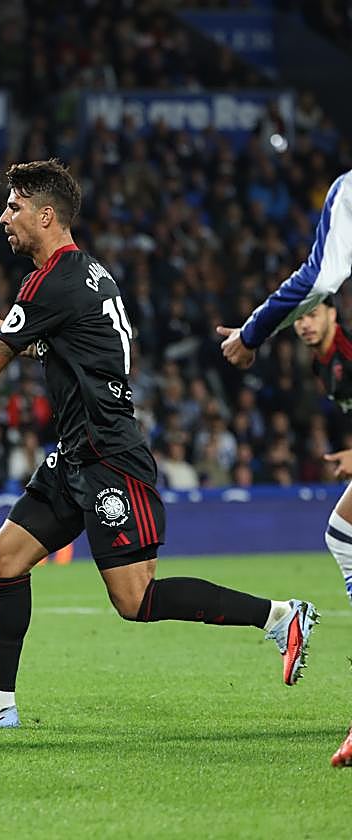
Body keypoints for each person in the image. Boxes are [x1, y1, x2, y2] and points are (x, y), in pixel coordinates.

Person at [0, 160, 315, 730]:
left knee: (135, 600)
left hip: (111, 454)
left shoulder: (52, 279)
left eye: (13, 208)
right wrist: (29, 342)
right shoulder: (89, 274)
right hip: (75, 453)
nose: (3, 217)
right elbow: (95, 349)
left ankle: (279, 616)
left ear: (46, 216)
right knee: (3, 559)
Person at [215, 168, 352, 767]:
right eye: (300, 317)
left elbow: (316, 275)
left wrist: (251, 333)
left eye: (311, 313)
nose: (304, 319)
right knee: (341, 532)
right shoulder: (325, 366)